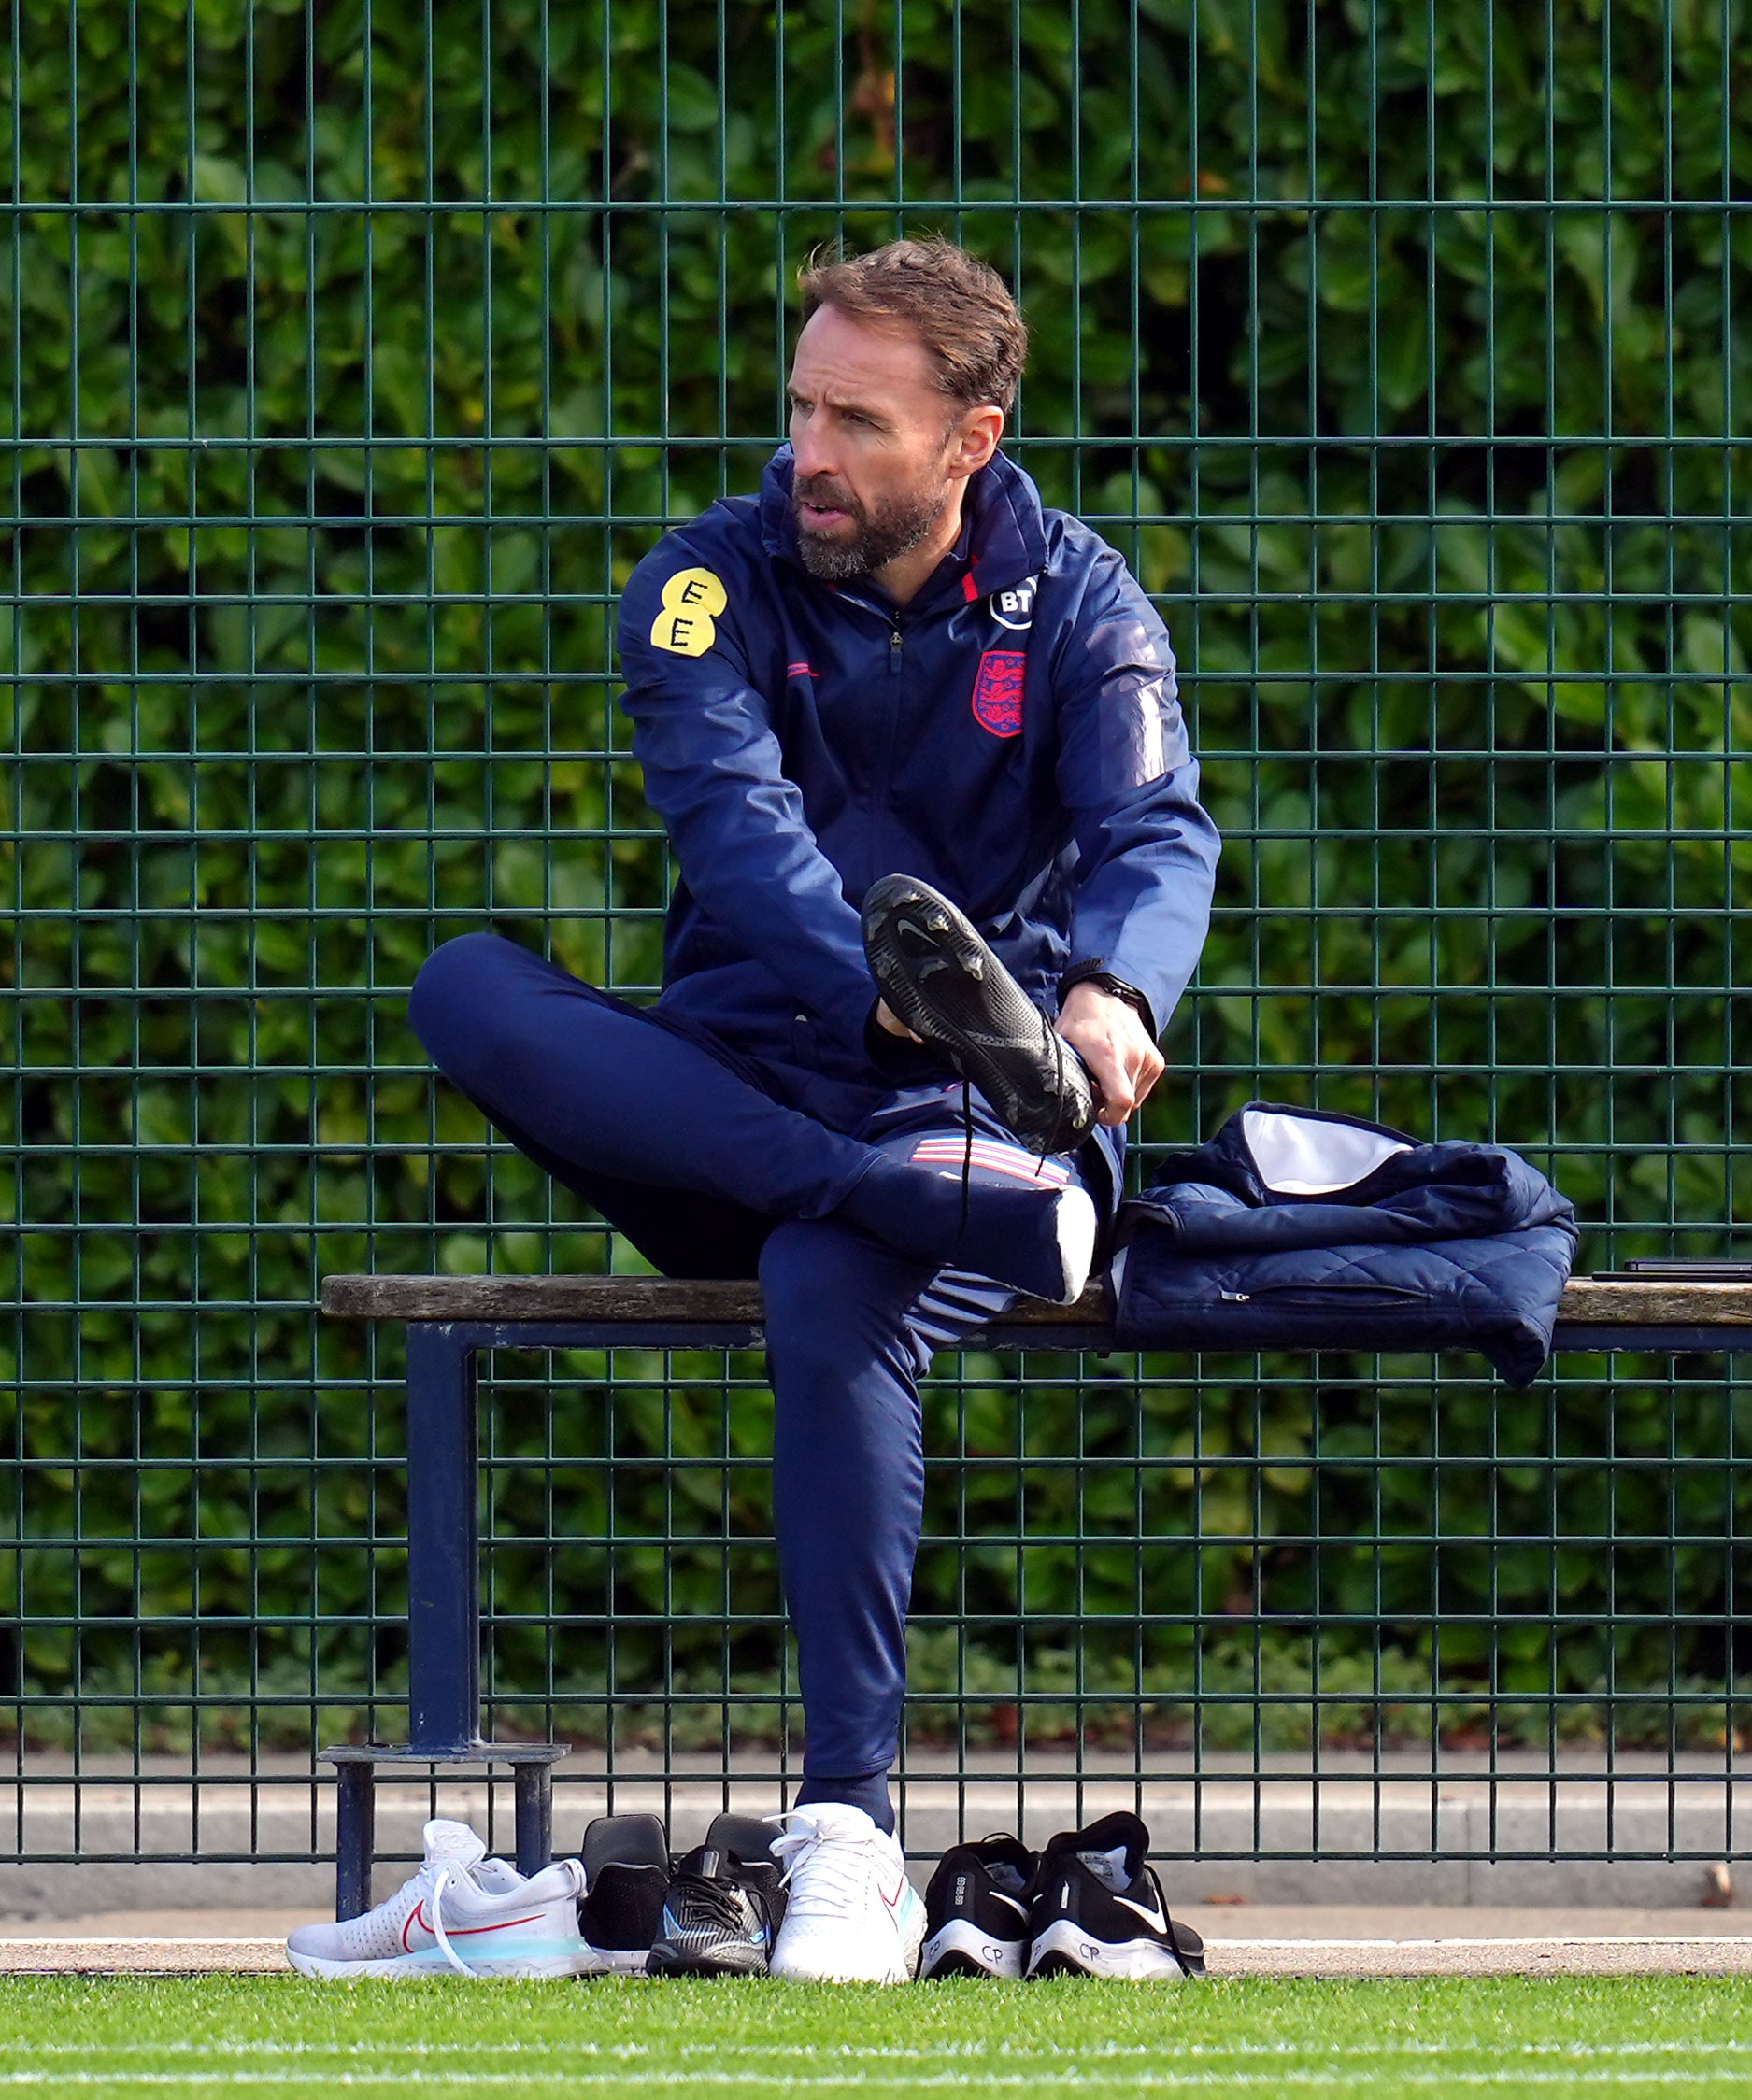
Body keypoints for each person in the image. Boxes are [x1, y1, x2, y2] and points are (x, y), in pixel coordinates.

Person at [408, 236, 1218, 1980]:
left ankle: (843, 1831)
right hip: (759, 1096)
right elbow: (735, 835)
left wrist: (1108, 992)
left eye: (857, 418)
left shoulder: (1081, 600)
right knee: (464, 986)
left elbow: (1157, 835)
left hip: (986, 1111)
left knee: (822, 1272)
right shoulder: (702, 581)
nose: (809, 452)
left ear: (971, 440)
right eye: (799, 406)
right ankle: (892, 1183)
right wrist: (882, 995)